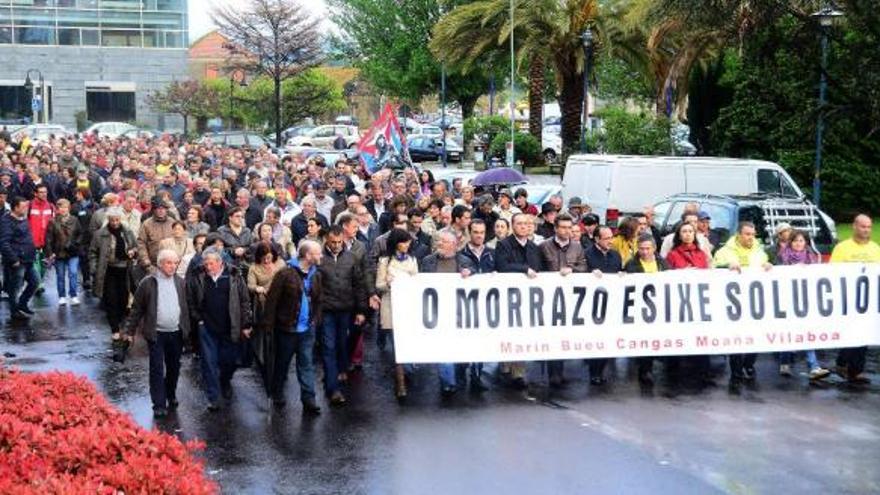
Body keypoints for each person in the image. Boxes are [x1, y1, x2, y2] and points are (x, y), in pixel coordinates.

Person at [123, 249, 190, 418]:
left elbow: (187, 308)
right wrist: (129, 331)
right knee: (157, 368)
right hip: (156, 333)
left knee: (174, 367)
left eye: (175, 263)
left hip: (176, 332)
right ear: (160, 264)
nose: (173, 266)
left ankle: (170, 393)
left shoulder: (181, 283)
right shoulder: (148, 283)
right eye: (169, 263)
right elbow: (136, 310)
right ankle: (159, 403)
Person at [261, 240, 323, 414]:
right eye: (318, 253)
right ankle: (277, 392)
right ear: (308, 255)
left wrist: (315, 319)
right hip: (287, 328)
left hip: (307, 329)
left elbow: (319, 300)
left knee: (306, 364)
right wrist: (268, 326)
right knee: (282, 362)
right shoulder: (285, 274)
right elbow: (272, 301)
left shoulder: (316, 274)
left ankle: (309, 398)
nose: (321, 256)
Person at [188, 246, 253, 411]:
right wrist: (199, 319)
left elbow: (245, 301)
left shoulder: (234, 276)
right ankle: (213, 398)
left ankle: (225, 381)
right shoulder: (198, 276)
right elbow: (191, 301)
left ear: (220, 262)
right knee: (208, 364)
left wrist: (246, 324)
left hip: (229, 327)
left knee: (229, 361)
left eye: (211, 264)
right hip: (207, 328)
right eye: (206, 263)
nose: (207, 267)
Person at [713, 221, 772, 388]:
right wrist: (726, 266)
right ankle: (736, 370)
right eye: (747, 234)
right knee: (736, 337)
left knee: (756, 335)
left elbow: (765, 267)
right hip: (733, 303)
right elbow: (714, 268)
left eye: (753, 235)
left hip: (754, 302)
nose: (750, 238)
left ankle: (749, 364)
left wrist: (767, 266)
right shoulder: (725, 252)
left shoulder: (759, 252)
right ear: (738, 234)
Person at [318, 226, 367, 405]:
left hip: (346, 309)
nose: (337, 245)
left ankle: (339, 369)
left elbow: (358, 285)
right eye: (333, 242)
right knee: (328, 347)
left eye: (340, 242)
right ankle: (333, 389)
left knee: (342, 344)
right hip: (327, 310)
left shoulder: (351, 258)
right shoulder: (320, 259)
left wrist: (361, 310)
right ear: (327, 241)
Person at [830, 215, 880, 384]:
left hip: (868, 300)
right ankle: (842, 362)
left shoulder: (875, 248)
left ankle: (856, 370)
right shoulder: (842, 248)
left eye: (869, 227)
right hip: (848, 298)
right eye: (863, 226)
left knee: (864, 334)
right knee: (850, 332)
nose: (866, 230)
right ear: (854, 227)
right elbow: (832, 272)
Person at [494, 213, 543, 389]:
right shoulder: (503, 245)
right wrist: (524, 269)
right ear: (513, 226)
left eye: (526, 224)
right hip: (509, 296)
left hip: (528, 297)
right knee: (509, 331)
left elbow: (538, 268)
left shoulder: (533, 247)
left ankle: (518, 373)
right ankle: (507, 364)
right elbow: (502, 266)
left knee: (521, 332)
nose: (523, 226)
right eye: (519, 223)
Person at [776, 230, 831, 381]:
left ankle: (813, 366)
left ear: (806, 242)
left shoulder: (811, 258)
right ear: (790, 242)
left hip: (805, 302)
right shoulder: (782, 256)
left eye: (801, 241)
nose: (798, 243)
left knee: (806, 331)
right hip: (786, 300)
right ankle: (784, 363)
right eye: (795, 241)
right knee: (788, 332)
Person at [665, 220, 714, 386]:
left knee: (700, 336)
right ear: (679, 235)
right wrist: (682, 274)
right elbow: (666, 277)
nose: (687, 234)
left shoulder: (701, 254)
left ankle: (703, 373)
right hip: (679, 302)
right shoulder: (672, 255)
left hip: (699, 301)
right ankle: (673, 373)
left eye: (690, 231)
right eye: (684, 231)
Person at [539, 214, 587, 387]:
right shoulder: (544, 246)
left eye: (569, 228)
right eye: (563, 227)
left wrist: (572, 269)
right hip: (550, 298)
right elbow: (539, 270)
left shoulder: (577, 246)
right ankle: (554, 372)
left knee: (564, 333)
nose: (567, 231)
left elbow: (583, 266)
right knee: (552, 334)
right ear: (555, 228)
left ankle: (560, 370)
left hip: (570, 298)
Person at [420, 231, 466, 396]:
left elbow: (476, 280)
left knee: (460, 351)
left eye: (444, 242)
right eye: (439, 241)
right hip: (437, 313)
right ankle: (448, 383)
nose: (439, 244)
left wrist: (470, 273)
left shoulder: (464, 261)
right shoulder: (428, 261)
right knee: (445, 349)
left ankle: (458, 374)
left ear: (454, 245)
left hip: (459, 313)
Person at [375, 228, 419, 400]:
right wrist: (389, 283)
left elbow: (417, 281)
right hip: (391, 305)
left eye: (408, 242)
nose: (407, 245)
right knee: (397, 345)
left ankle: (408, 370)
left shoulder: (412, 260)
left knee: (407, 341)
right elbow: (379, 285)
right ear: (396, 243)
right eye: (403, 242)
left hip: (408, 305)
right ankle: (400, 383)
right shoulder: (385, 261)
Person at [624, 234, 671, 386]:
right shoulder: (632, 265)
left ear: (654, 248)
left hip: (659, 307)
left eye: (647, 249)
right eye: (641, 249)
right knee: (645, 340)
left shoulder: (663, 263)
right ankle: (645, 371)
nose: (644, 252)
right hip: (641, 309)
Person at [89, 207, 138, 342]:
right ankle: (114, 329)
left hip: (124, 269)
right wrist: (94, 269)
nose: (115, 223)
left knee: (123, 300)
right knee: (110, 300)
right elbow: (92, 252)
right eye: (112, 220)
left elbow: (135, 247)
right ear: (108, 220)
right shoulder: (100, 234)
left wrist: (133, 252)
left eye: (117, 220)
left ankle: (121, 324)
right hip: (107, 270)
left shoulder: (127, 232)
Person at [457, 219, 495, 391]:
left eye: (482, 232)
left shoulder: (492, 253)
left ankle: (477, 375)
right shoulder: (460, 254)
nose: (479, 236)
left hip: (485, 304)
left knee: (481, 340)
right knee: (464, 340)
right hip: (465, 304)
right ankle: (461, 368)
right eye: (476, 232)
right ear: (469, 233)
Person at [584, 226, 623, 385]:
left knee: (608, 338)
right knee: (596, 338)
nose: (610, 241)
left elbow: (620, 270)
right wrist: (590, 274)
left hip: (611, 303)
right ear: (597, 239)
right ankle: (594, 371)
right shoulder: (587, 254)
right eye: (606, 238)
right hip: (593, 304)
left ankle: (601, 369)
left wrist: (622, 274)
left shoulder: (615, 255)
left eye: (611, 238)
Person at [0, 197, 38, 320]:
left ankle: (22, 304)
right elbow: (4, 243)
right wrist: (13, 259)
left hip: (28, 259)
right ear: (15, 207)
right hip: (17, 261)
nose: (25, 209)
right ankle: (15, 311)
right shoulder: (6, 221)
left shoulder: (23, 218)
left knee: (35, 282)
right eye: (23, 207)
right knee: (15, 287)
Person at [45, 198, 82, 305]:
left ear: (69, 208)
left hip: (72, 251)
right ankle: (62, 296)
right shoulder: (52, 221)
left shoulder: (74, 220)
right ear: (57, 209)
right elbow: (48, 239)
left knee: (73, 273)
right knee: (60, 275)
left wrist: (76, 244)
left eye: (65, 207)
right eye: (61, 207)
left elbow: (80, 233)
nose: (63, 209)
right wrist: (49, 252)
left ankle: (73, 295)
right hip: (59, 252)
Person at [137, 196, 175, 280]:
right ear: (154, 210)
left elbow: (179, 239)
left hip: (171, 263)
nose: (161, 211)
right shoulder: (146, 224)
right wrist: (147, 263)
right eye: (158, 208)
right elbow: (141, 244)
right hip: (153, 264)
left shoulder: (172, 222)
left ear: (166, 210)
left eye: (163, 208)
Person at [246, 241, 285, 321]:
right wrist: (257, 288)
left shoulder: (281, 264)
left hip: (280, 298)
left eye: (268, 258)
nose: (266, 261)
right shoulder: (254, 268)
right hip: (264, 301)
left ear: (273, 255)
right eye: (263, 259)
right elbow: (250, 285)